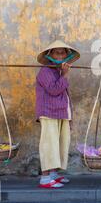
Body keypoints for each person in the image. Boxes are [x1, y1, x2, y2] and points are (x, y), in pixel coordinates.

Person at [35, 40, 80, 188]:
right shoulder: (45, 71)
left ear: (67, 55)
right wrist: (65, 75)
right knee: (49, 144)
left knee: (60, 143)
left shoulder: (58, 71)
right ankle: (45, 178)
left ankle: (54, 173)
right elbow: (54, 90)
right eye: (57, 52)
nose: (60, 55)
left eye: (63, 52)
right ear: (50, 55)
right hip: (48, 112)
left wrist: (63, 73)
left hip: (60, 112)